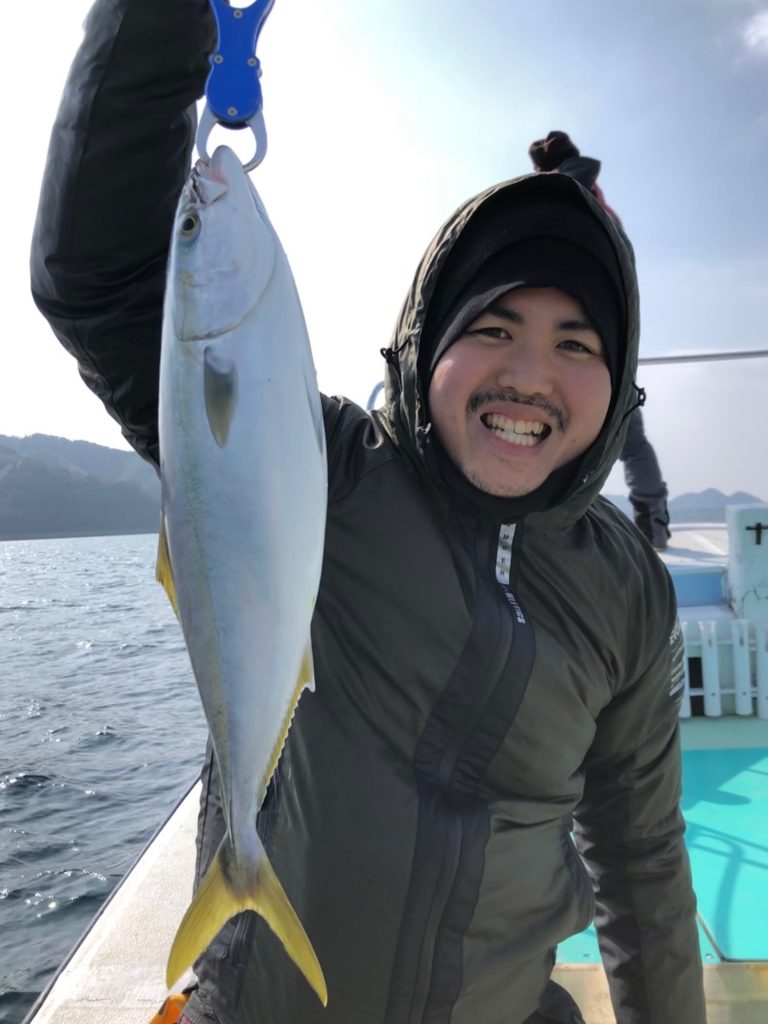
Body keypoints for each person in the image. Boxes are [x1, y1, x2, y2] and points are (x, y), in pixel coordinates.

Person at [31, 3, 705, 1022]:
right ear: (427, 342)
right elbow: (98, 281)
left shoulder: (627, 590)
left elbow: (641, 858)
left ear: (618, 387)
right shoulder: (328, 469)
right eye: (493, 327)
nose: (530, 376)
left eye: (576, 344)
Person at [529, 131, 672, 551]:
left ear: (544, 168)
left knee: (548, 429)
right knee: (630, 440)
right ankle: (654, 523)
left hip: (564, 339)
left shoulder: (554, 197)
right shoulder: (602, 206)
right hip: (612, 340)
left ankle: (545, 533)